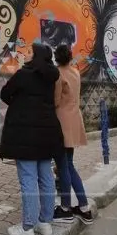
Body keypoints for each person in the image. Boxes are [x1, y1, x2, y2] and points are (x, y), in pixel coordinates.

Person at [0, 43, 63, 235]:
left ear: (35, 56)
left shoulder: (23, 75)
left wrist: (20, 105)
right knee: (46, 177)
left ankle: (27, 227)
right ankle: (44, 223)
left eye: (29, 52)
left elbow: (5, 94)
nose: (25, 54)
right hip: (46, 134)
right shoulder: (51, 77)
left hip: (25, 135)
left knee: (28, 180)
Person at [51, 44, 93, 225]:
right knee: (69, 164)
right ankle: (84, 207)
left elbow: (55, 100)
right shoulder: (75, 72)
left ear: (56, 57)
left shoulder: (58, 74)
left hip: (62, 123)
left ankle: (66, 208)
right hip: (75, 120)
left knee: (63, 166)